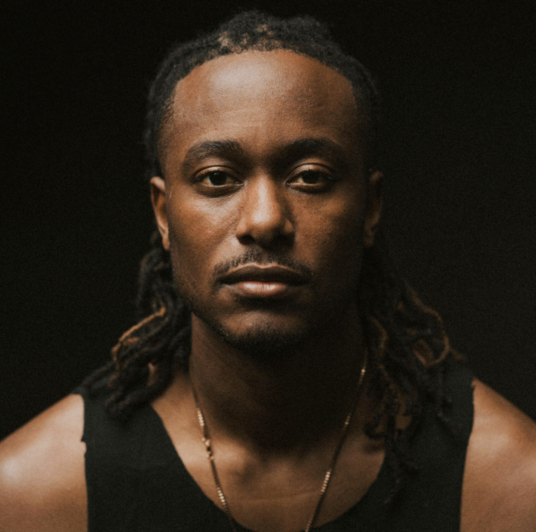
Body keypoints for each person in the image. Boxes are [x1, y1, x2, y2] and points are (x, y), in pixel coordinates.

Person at [1, 11, 535, 532]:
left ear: (370, 208)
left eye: (310, 177)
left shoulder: (509, 485)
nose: (264, 221)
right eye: (217, 178)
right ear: (163, 214)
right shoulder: (33, 494)